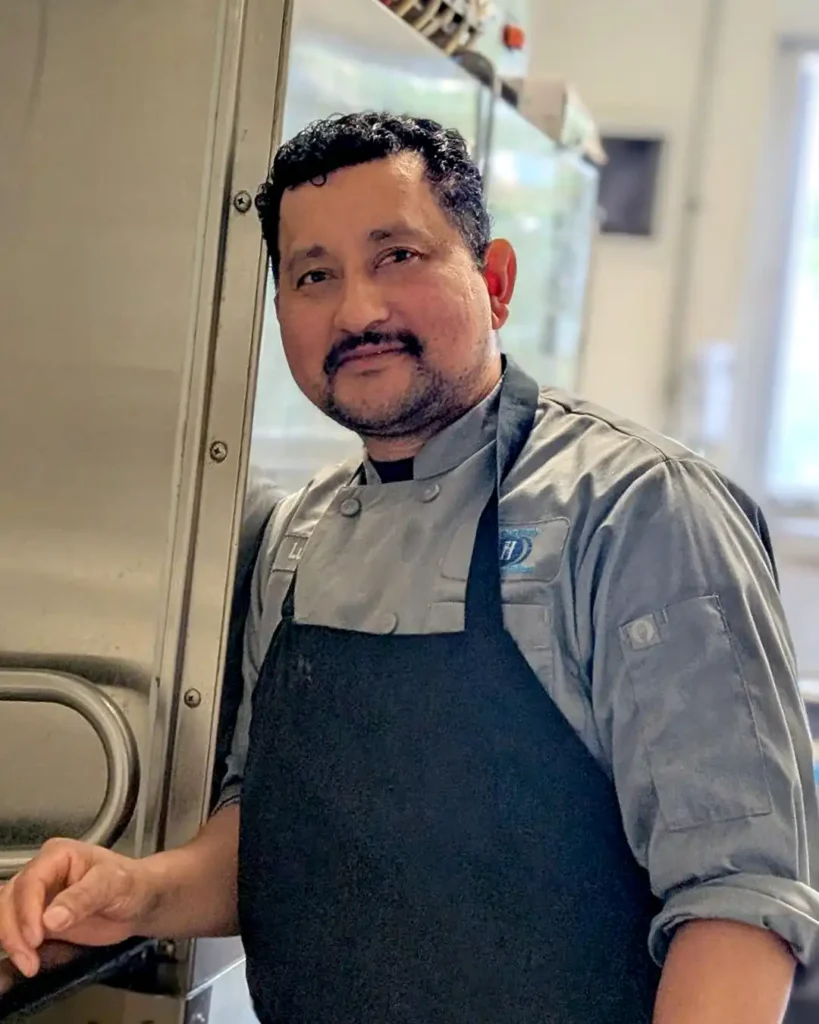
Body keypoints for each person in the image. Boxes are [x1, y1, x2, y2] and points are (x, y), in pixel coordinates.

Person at [1, 111, 818, 1024]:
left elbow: (738, 901)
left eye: (397, 256)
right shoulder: (299, 535)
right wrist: (138, 892)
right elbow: (270, 840)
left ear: (495, 282)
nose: (358, 313)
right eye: (314, 276)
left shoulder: (634, 511)